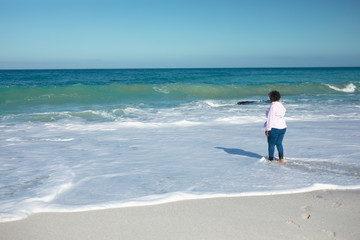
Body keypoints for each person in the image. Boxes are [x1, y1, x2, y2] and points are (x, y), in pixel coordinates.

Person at [264, 91, 287, 163]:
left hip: (274, 127)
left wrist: (267, 129)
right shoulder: (281, 105)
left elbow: (270, 118)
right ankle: (281, 158)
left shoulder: (273, 106)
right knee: (279, 143)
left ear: (271, 98)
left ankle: (270, 159)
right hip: (283, 127)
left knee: (271, 144)